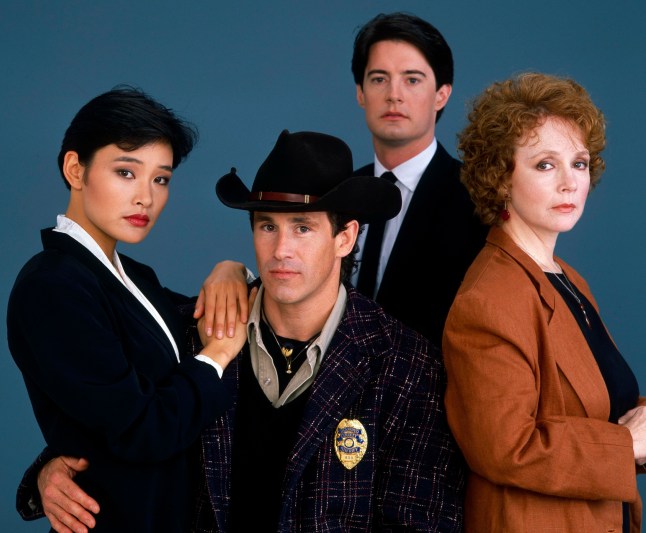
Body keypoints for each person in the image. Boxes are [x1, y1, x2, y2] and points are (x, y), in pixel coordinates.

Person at [7, 86, 252, 532]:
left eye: (161, 178)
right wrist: (216, 357)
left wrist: (230, 269)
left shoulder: (134, 276)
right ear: (75, 169)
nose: (146, 197)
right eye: (126, 172)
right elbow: (141, 427)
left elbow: (206, 318)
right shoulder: (52, 286)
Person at [442, 72, 646, 532]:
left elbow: (596, 401)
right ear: (499, 176)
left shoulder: (567, 279)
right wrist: (625, 445)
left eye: (579, 163)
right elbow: (506, 446)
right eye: (545, 165)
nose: (571, 182)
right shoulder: (487, 300)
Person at [350, 11, 488, 346]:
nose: (393, 94)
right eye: (379, 78)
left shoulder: (477, 198)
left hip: (434, 392)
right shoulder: (340, 191)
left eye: (412, 80)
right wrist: (233, 272)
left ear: (442, 94)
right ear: (361, 93)